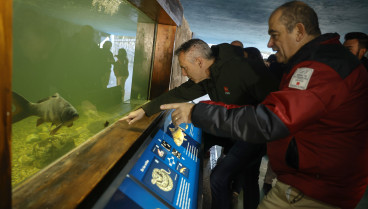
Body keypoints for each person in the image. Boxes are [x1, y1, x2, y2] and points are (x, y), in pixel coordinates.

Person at [161, 1, 368, 209]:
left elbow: (270, 119)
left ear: (298, 31)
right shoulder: (310, 64)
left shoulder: (323, 68)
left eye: (274, 35)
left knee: (227, 178)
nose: (269, 43)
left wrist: (198, 112)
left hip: (317, 192)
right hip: (300, 182)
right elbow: (269, 110)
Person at [120, 39, 279, 209]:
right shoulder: (207, 74)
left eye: (185, 67)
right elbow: (181, 93)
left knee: (224, 178)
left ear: (199, 61)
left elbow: (274, 108)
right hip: (234, 131)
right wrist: (145, 110)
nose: (183, 73)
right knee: (240, 173)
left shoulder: (242, 69)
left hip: (255, 133)